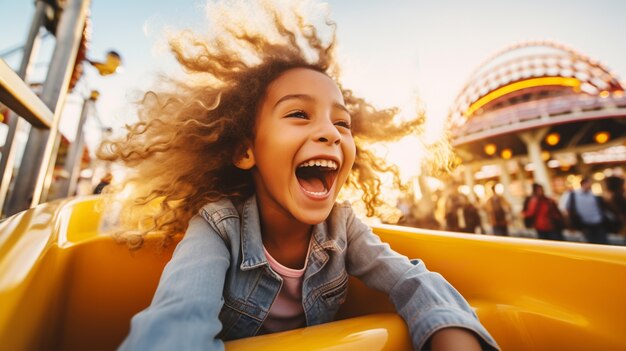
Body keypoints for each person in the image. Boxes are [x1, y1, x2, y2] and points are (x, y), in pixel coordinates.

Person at [99, 2, 498, 350]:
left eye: (342, 123)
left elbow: (410, 280)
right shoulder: (217, 227)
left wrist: (449, 332)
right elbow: (177, 320)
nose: (329, 132)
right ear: (245, 151)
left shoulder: (343, 228)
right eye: (298, 114)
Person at [562, 177, 609, 244]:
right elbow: (568, 209)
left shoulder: (593, 194)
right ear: (583, 184)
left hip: (597, 221)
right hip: (585, 223)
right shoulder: (574, 195)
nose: (590, 185)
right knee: (591, 242)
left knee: (602, 241)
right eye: (588, 183)